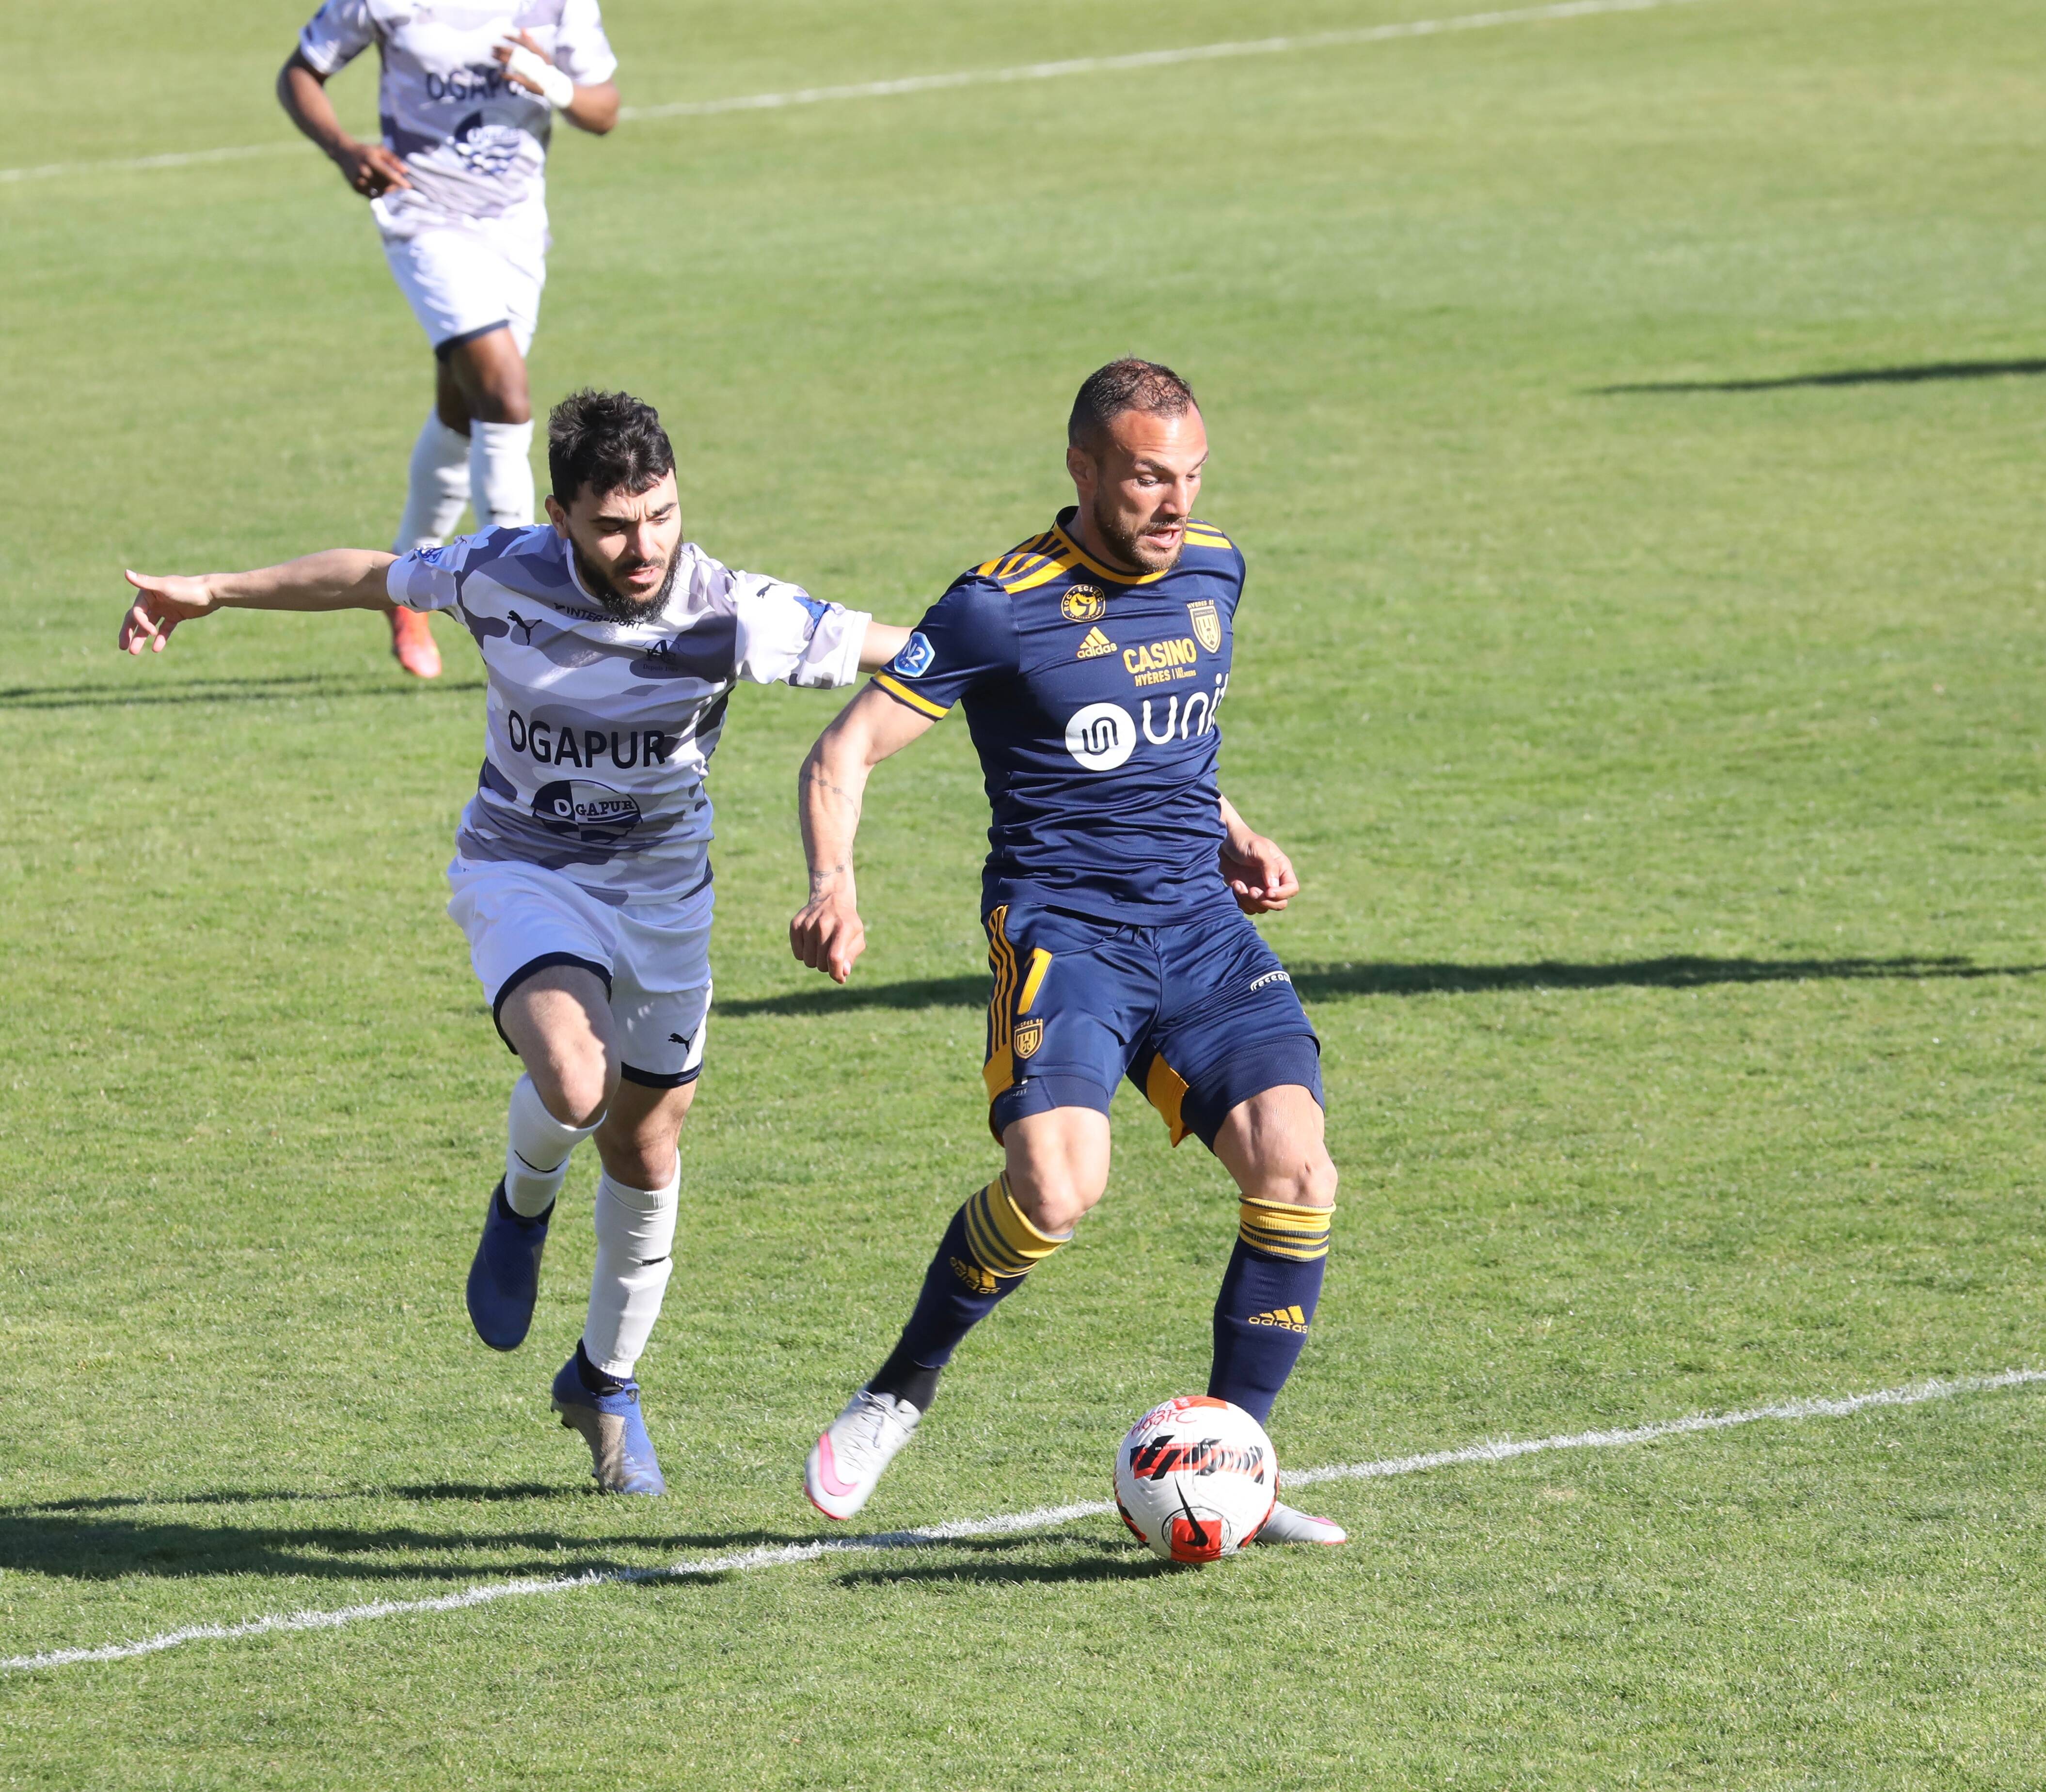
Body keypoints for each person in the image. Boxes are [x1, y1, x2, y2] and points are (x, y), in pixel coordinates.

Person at [118, 391, 905, 1493]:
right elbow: (370, 576)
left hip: (667, 902)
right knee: (576, 1081)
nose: (645, 547)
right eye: (616, 525)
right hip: (523, 871)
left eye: (663, 516)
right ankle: (523, 1197)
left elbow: (916, 657)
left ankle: (604, 1382)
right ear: (562, 514)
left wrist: (1041, 654)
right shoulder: (503, 572)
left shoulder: (735, 610)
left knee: (644, 1147)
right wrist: (214, 590)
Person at [787, 359, 1347, 1545]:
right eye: (1148, 477)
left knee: (1297, 1170)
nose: (1175, 503)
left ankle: (1238, 1469)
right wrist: (833, 885)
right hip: (1068, 938)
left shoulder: (1215, 573)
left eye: (1191, 476)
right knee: (1055, 1186)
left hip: (1199, 927)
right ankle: (899, 1390)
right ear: (1084, 469)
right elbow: (841, 754)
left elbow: (1163, 744)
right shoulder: (999, 605)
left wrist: (1236, 830)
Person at [278, 2, 621, 680]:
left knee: (463, 411)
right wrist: (344, 148)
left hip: (517, 229)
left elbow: (603, 110)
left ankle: (402, 584)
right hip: (421, 214)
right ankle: (526, 605)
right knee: (505, 391)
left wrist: (546, 80)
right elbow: (300, 74)